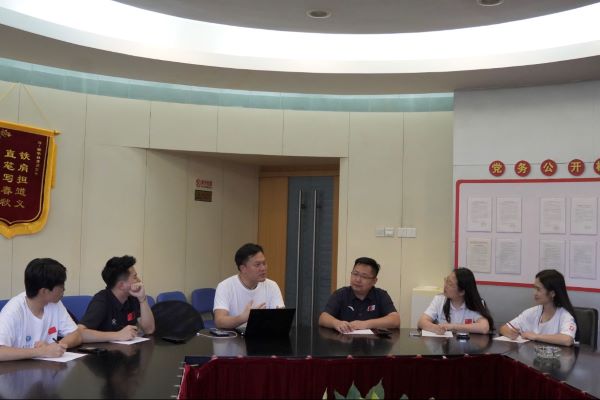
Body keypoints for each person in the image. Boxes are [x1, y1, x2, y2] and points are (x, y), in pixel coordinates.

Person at [0, 258, 82, 361]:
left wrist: (57, 346)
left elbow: (76, 335)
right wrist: (42, 352)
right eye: (61, 286)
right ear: (44, 291)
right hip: (16, 369)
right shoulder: (13, 311)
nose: (64, 289)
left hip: (46, 368)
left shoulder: (54, 304)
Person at [78, 255, 155, 342]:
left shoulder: (132, 297)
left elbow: (149, 330)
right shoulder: (101, 300)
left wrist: (142, 299)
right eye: (135, 277)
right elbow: (80, 333)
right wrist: (117, 335)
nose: (139, 280)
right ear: (121, 285)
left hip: (128, 349)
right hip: (105, 349)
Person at [319, 257, 400, 333]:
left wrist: (365, 324)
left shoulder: (381, 295)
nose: (357, 279)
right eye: (355, 274)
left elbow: (395, 320)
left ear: (374, 281)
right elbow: (323, 318)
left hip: (373, 342)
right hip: (344, 341)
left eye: (364, 276)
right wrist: (336, 323)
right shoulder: (340, 294)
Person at [214, 243, 284, 329]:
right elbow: (219, 321)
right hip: (235, 335)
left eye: (264, 263)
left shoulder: (272, 286)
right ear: (243, 268)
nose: (263, 268)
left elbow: (281, 318)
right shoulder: (225, 286)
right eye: (257, 265)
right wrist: (243, 318)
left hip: (264, 334)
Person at [499, 269, 577, 346]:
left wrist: (536, 336)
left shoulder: (564, 315)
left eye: (538, 289)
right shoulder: (532, 312)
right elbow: (503, 328)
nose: (535, 293)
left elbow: (567, 340)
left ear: (552, 293)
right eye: (535, 288)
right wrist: (510, 333)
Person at [418, 267, 493, 334]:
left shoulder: (474, 303)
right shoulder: (439, 300)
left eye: (450, 284)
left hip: (468, 345)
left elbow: (484, 327)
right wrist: (436, 328)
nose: (445, 286)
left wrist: (452, 326)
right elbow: (421, 321)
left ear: (462, 292)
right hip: (444, 344)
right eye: (446, 280)